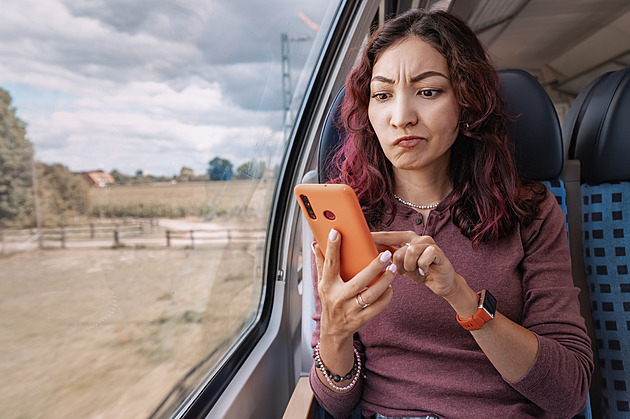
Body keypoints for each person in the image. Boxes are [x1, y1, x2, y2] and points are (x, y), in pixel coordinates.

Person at [309, 9, 593, 419]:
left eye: (428, 92)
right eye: (383, 94)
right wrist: (334, 331)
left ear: (466, 101)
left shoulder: (530, 212)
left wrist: (461, 298)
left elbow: (568, 394)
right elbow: (336, 403)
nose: (401, 116)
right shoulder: (349, 219)